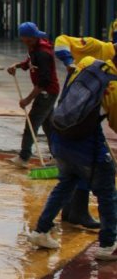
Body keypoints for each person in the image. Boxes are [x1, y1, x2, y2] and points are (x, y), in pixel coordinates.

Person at [28, 55, 117, 261]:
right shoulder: (114, 86)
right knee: (106, 192)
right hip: (86, 145)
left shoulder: (87, 63)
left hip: (60, 137)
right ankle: (108, 244)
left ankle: (40, 232)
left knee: (66, 183)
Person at [46, 33, 108, 230]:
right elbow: (62, 40)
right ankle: (77, 212)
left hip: (84, 116)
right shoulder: (96, 47)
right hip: (77, 114)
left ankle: (67, 213)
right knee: (87, 162)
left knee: (72, 169)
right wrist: (69, 61)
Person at [6, 22, 59, 168]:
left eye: (26, 39)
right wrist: (16, 66)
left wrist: (27, 100)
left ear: (31, 37)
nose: (24, 41)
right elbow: (29, 63)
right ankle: (58, 157)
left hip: (46, 92)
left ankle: (24, 157)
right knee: (49, 126)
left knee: (32, 124)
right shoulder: (34, 48)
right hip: (46, 92)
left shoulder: (43, 53)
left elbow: (44, 81)